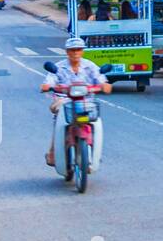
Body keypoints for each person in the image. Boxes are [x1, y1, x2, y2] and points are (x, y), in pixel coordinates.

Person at [41, 37, 111, 167]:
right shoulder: (58, 67)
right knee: (59, 120)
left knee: (95, 121)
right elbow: (48, 82)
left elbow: (101, 79)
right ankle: (53, 153)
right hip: (64, 100)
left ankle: (94, 153)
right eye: (72, 50)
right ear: (67, 52)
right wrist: (47, 86)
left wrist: (104, 85)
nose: (75, 53)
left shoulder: (90, 66)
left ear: (82, 51)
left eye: (78, 50)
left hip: (86, 101)